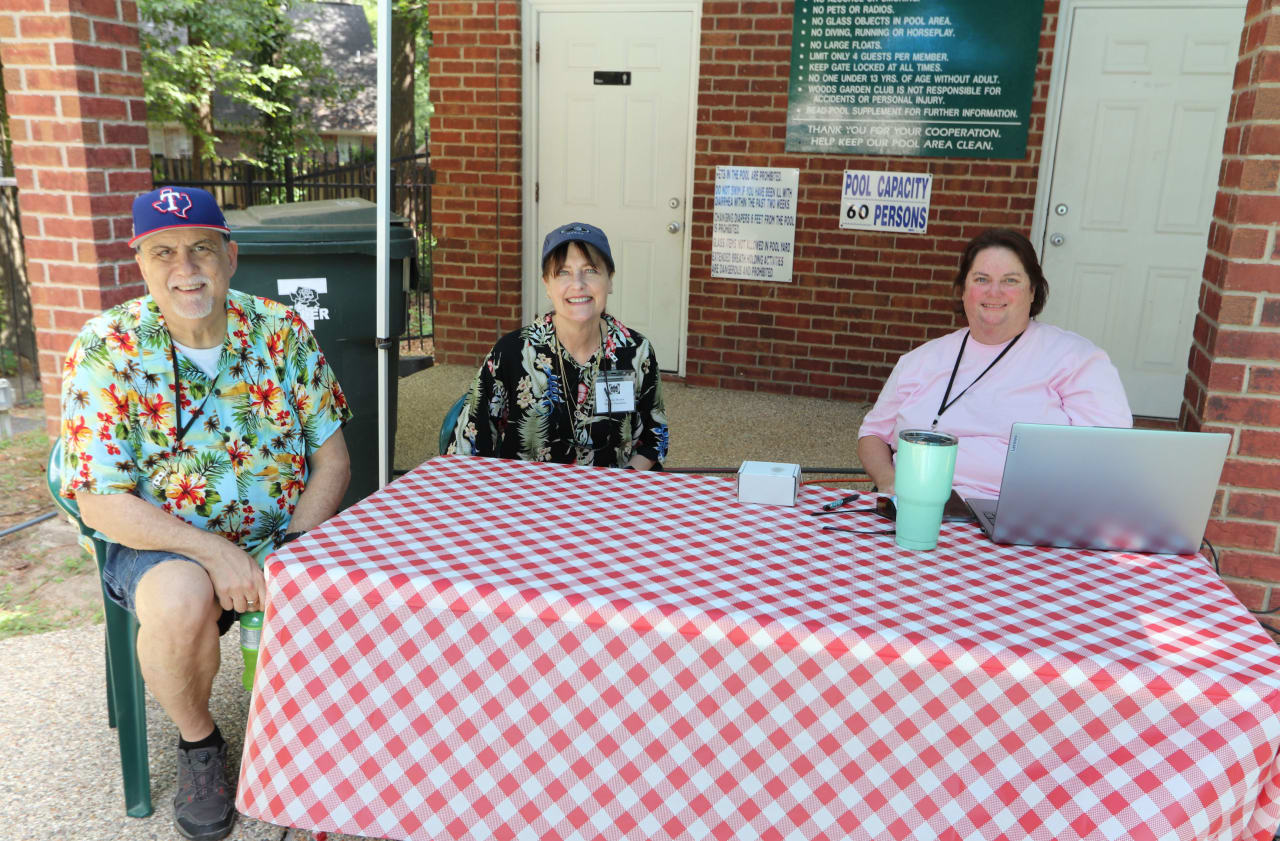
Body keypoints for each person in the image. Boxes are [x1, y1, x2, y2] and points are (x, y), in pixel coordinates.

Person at [59, 186, 352, 841]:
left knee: (360, 584)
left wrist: (295, 549)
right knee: (180, 601)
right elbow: (99, 498)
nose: (184, 268)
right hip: (161, 542)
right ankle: (200, 745)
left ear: (231, 256)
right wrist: (216, 552)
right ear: (140, 262)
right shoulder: (107, 347)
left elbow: (332, 459)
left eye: (201, 249)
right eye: (163, 252)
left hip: (280, 530)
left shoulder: (281, 330)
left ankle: (328, 742)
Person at [857, 228, 1131, 498]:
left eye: (1010, 280)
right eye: (981, 279)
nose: (994, 292)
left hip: (1017, 514)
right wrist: (887, 480)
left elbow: (1106, 456)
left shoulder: (1078, 360)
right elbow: (874, 434)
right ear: (963, 290)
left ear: (1033, 291)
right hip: (914, 503)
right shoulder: (920, 360)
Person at [449, 221, 669, 469]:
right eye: (563, 272)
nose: (578, 283)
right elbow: (468, 445)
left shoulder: (635, 351)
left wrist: (619, 486)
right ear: (547, 285)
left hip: (613, 497)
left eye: (591, 270)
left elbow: (654, 440)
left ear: (610, 280)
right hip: (526, 497)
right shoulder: (511, 353)